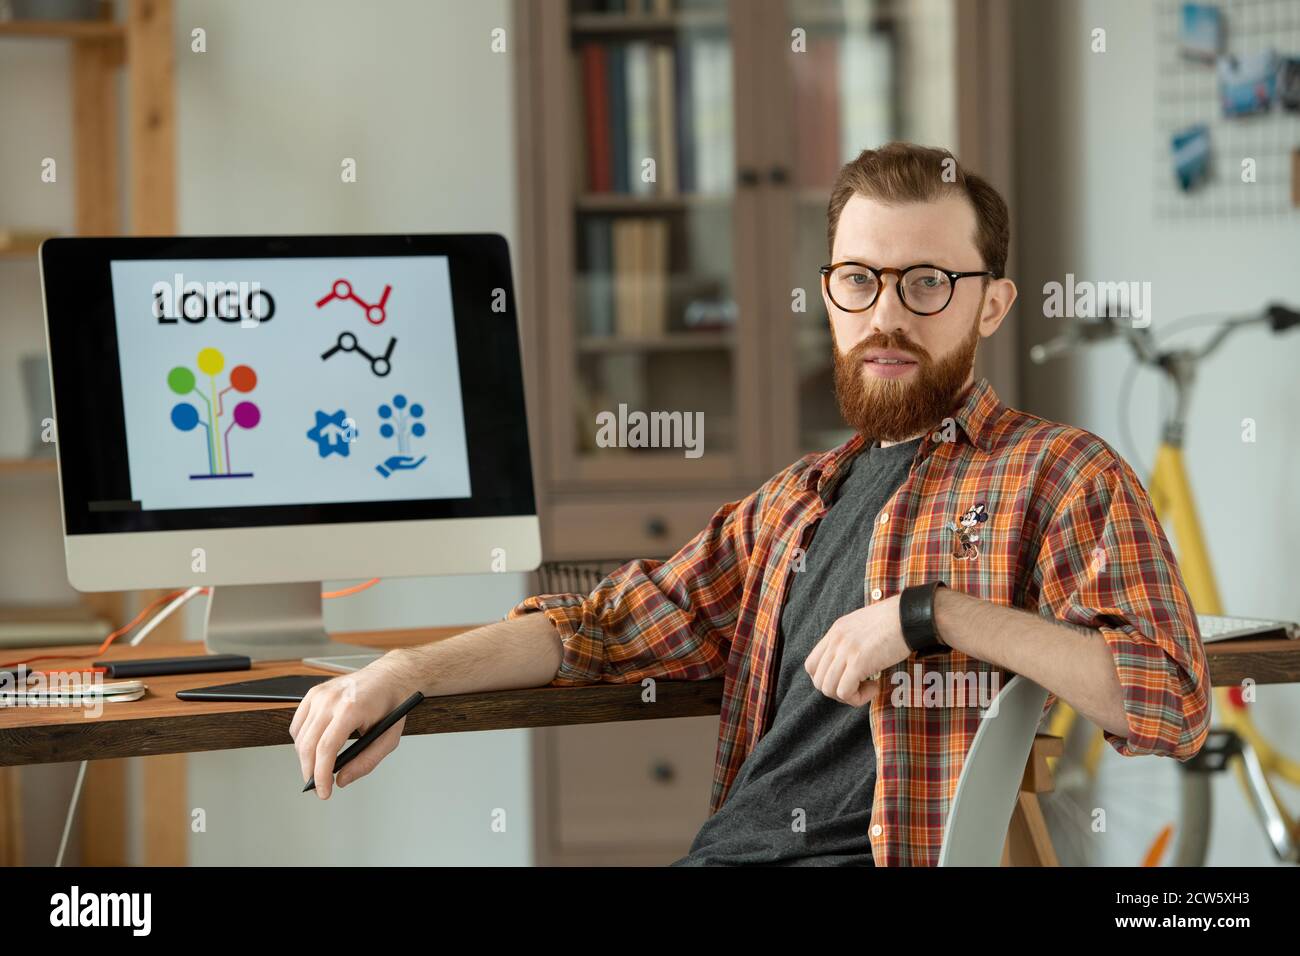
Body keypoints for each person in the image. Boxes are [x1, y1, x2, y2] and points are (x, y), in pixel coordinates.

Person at [290, 142, 1210, 867]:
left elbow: (1170, 700)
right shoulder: (792, 506)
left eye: (928, 282)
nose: (887, 314)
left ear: (994, 304)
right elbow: (602, 626)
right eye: (860, 280)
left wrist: (932, 617)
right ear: (830, 297)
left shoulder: (1058, 475)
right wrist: (406, 672)